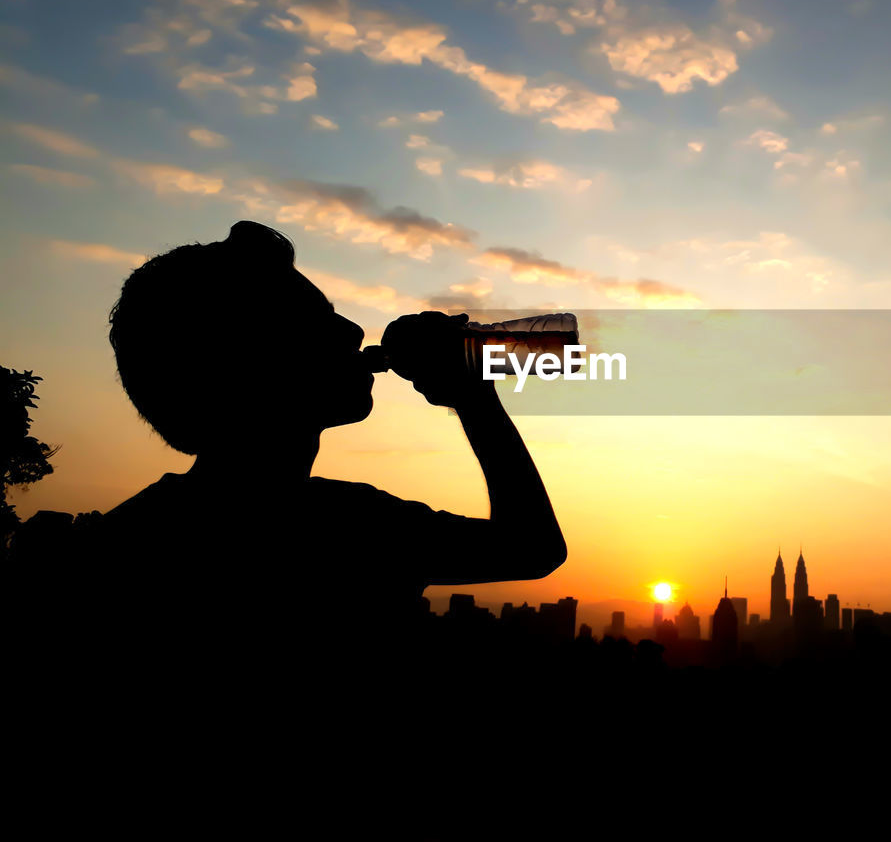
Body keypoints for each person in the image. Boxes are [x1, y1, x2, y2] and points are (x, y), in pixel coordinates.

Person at [12, 220, 566, 715]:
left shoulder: (121, 542)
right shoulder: (348, 527)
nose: (352, 331)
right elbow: (533, 548)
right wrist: (473, 398)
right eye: (316, 320)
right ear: (246, 359)